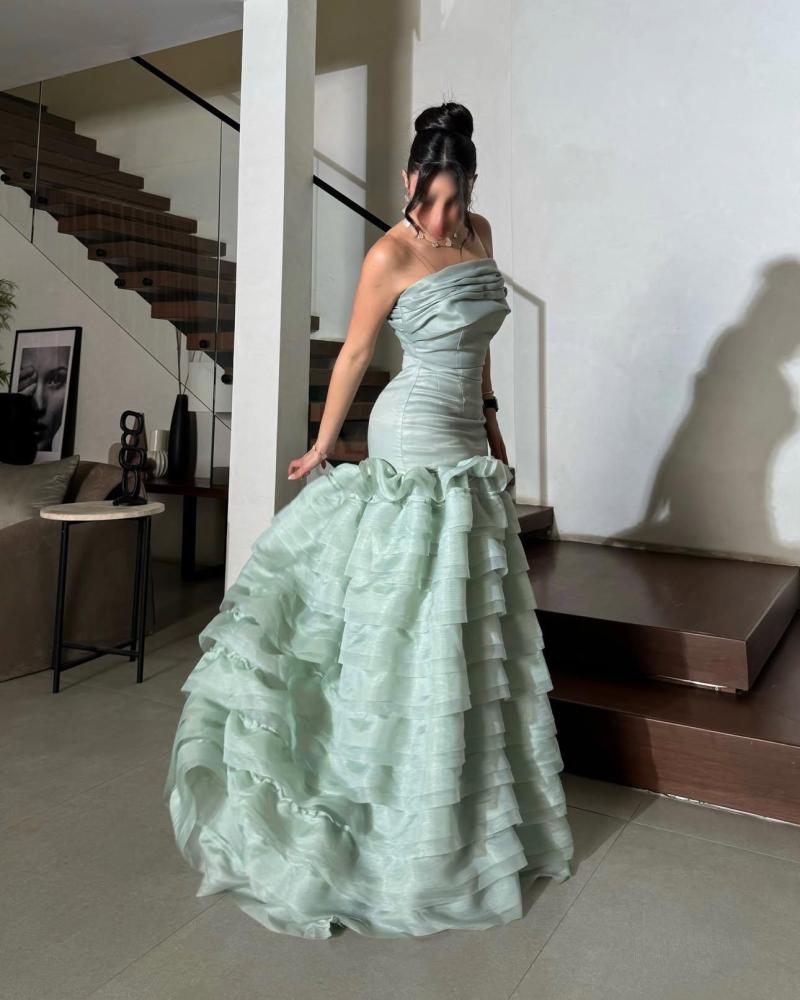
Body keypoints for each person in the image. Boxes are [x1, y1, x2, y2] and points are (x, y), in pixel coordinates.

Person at [163, 101, 574, 940]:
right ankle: (378, 796)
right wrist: (323, 445)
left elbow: (481, 346)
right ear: (408, 180)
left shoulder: (480, 234)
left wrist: (494, 425)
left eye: (455, 199)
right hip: (410, 432)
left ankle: (456, 799)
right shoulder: (389, 253)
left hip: (464, 436)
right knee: (408, 616)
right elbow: (355, 352)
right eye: (430, 198)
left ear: (470, 187)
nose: (443, 216)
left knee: (462, 620)